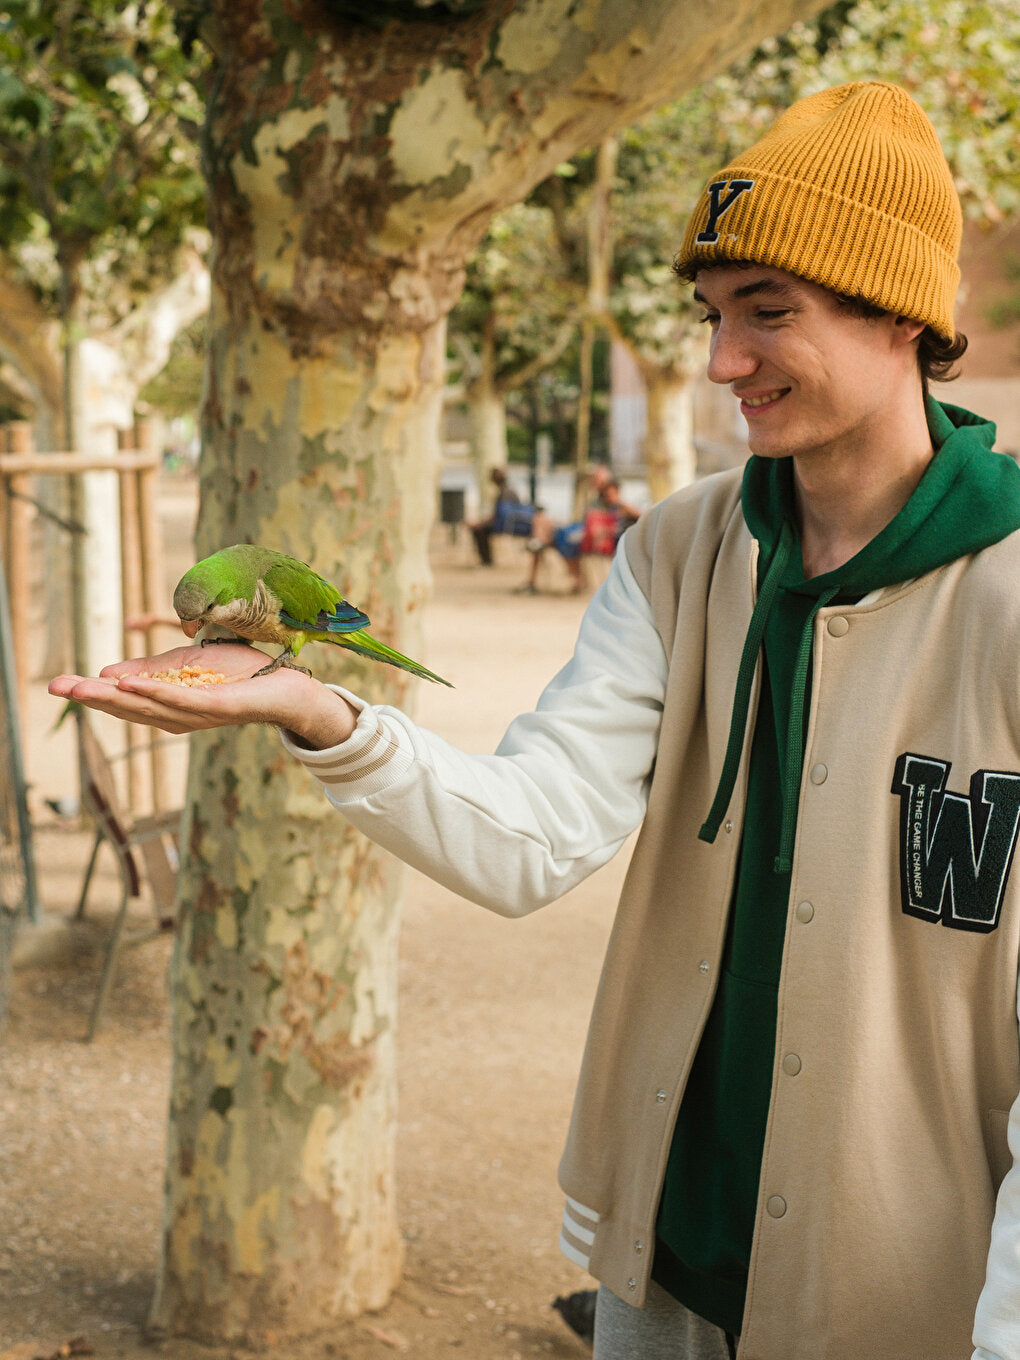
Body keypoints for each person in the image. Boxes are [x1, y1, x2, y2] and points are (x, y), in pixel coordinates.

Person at [49, 82, 1020, 1360]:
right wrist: (322, 715)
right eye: (714, 315)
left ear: (906, 316)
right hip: (659, 1280)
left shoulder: (1005, 597)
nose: (724, 361)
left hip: (915, 1312)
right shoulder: (676, 550)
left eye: (769, 314)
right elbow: (533, 833)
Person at [518, 469, 642, 595]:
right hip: (588, 535)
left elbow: (642, 518)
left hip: (601, 541)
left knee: (563, 539)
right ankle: (541, 544)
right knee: (551, 528)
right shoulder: (599, 503)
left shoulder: (624, 508)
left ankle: (543, 544)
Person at [467, 466, 533, 565]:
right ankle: (486, 560)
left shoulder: (505, 493)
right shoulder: (508, 490)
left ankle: (486, 560)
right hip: (509, 523)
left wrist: (480, 523)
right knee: (480, 529)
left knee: (479, 530)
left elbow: (500, 516)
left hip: (507, 525)